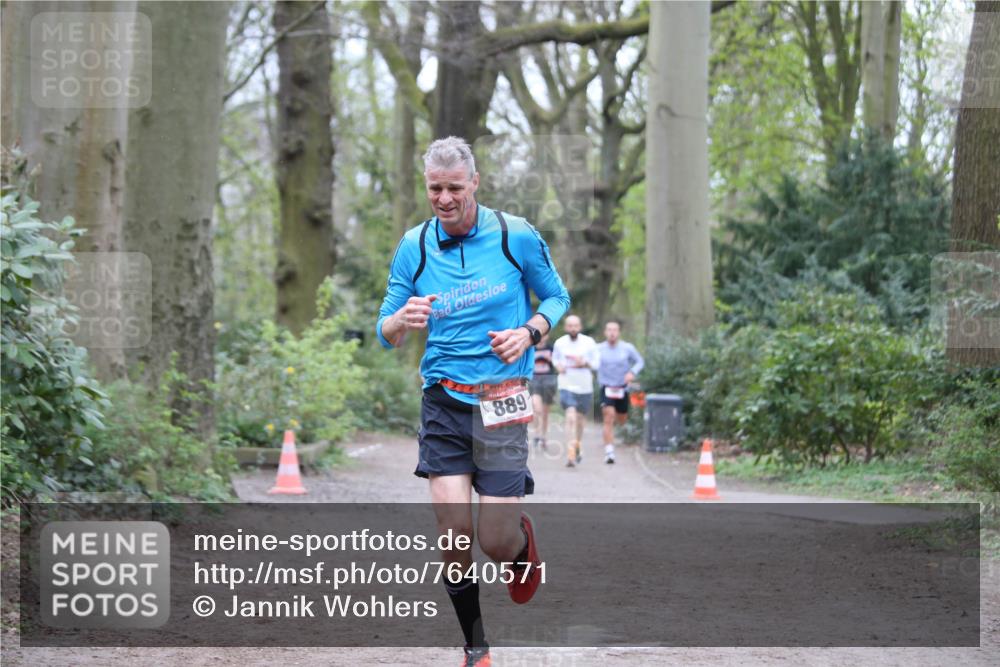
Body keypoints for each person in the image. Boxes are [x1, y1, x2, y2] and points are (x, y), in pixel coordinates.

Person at [376, 136, 571, 667]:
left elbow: (557, 296)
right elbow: (385, 329)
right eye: (434, 188)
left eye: (454, 188)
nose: (443, 199)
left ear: (475, 184)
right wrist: (401, 320)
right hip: (443, 400)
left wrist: (530, 331)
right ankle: (476, 647)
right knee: (454, 533)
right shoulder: (414, 246)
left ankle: (521, 544)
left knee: (494, 540)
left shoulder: (515, 236)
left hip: (502, 399)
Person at [551, 314, 598, 467]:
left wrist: (585, 363)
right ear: (565, 327)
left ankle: (577, 444)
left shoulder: (589, 342)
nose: (572, 328)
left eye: (575, 325)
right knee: (570, 415)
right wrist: (558, 366)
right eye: (570, 325)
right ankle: (570, 451)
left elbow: (597, 364)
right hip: (566, 383)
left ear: (580, 327)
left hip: (584, 385)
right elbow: (555, 359)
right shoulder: (560, 343)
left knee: (579, 419)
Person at [596, 320, 644, 464]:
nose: (612, 333)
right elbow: (589, 361)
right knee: (608, 417)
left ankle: (612, 433)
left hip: (622, 388)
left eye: (615, 330)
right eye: (609, 330)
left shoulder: (627, 348)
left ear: (619, 332)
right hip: (606, 387)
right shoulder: (598, 349)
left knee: (621, 418)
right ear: (605, 332)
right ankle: (609, 451)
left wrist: (632, 373)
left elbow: (640, 361)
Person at [528, 332, 556, 451]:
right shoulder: (530, 349)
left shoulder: (551, 348)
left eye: (544, 335)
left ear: (547, 336)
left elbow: (557, 364)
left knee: (545, 412)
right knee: (536, 407)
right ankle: (537, 434)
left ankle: (543, 436)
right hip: (534, 379)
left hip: (548, 380)